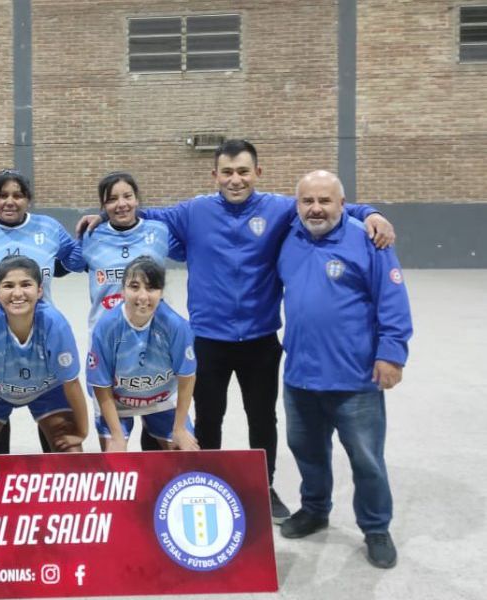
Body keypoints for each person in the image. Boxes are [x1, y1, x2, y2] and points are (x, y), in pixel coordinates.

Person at [77, 139, 397, 522]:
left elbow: (327, 205)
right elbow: (139, 214)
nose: (235, 179)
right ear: (214, 175)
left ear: (258, 173)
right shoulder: (194, 211)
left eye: (243, 171)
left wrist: (372, 213)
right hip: (208, 340)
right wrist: (102, 216)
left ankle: (264, 486)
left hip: (260, 339)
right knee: (209, 418)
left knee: (262, 419)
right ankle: (208, 483)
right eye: (227, 172)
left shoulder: (279, 210)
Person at [276, 170, 412, 569]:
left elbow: (393, 300)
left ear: (342, 203)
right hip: (300, 376)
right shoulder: (289, 236)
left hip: (354, 380)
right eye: (307, 201)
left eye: (326, 201)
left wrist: (392, 354)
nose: (316, 208)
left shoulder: (368, 239)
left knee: (367, 460)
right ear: (297, 204)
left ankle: (375, 527)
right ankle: (315, 509)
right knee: (307, 451)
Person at [0, 169, 83, 453]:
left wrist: (99, 226)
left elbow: (74, 258)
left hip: (40, 344)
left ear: (28, 200)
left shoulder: (48, 228)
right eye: (2, 195)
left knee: (64, 444)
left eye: (18, 195)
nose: (10, 201)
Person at [0, 255, 89, 455]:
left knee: (71, 451)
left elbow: (72, 382)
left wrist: (82, 432)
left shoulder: (55, 324)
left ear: (40, 290)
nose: (17, 293)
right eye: (8, 286)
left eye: (26, 284)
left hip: (47, 389)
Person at [87, 257, 198, 452]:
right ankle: (130, 431)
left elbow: (187, 377)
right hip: (117, 403)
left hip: (162, 400)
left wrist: (179, 428)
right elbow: (101, 386)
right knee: (115, 462)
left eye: (151, 288)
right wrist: (117, 436)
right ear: (123, 290)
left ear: (161, 292)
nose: (143, 296)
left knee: (186, 456)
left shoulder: (177, 326)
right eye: (134, 287)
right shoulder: (106, 327)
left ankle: (153, 425)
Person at [80, 172, 183, 332]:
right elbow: (69, 261)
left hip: (152, 331)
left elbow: (185, 251)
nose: (121, 204)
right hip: (105, 332)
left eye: (127, 196)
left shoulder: (159, 231)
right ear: (103, 206)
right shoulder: (91, 236)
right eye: (112, 199)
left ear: (136, 200)